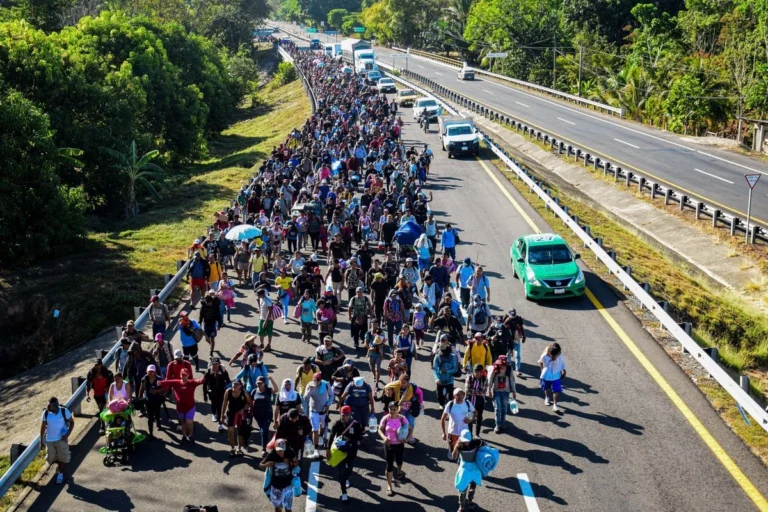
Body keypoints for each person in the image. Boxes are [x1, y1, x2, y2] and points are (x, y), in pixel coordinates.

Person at [327, 405, 363, 502]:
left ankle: (347, 477)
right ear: (340, 414)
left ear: (350, 414)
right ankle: (344, 493)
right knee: (341, 472)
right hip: (340, 452)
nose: (345, 417)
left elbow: (359, 438)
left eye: (347, 415)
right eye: (343, 415)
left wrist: (349, 441)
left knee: (350, 468)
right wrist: (327, 450)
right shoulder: (337, 424)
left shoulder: (356, 424)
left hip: (351, 451)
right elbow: (331, 437)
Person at [160, 369, 205, 444]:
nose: (184, 376)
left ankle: (191, 435)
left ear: (188, 375)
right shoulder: (176, 382)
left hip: (190, 407)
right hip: (180, 408)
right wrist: (160, 383)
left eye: (185, 375)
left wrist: (206, 375)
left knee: (189, 422)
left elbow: (200, 381)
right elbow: (167, 382)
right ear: (180, 375)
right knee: (183, 422)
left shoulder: (192, 383)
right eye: (182, 375)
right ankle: (184, 436)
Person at [378, 402, 411, 497]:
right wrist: (384, 438)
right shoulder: (385, 418)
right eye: (391, 409)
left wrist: (407, 439)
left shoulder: (402, 419)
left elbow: (410, 429)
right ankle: (389, 486)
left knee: (399, 461)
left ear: (398, 409)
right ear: (388, 409)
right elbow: (379, 429)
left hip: (399, 444)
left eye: (394, 409)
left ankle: (399, 471)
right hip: (388, 445)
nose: (392, 411)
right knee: (389, 465)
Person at [40, 397, 74, 484]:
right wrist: (41, 441)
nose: (56, 407)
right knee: (51, 458)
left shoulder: (63, 411)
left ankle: (60, 474)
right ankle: (59, 466)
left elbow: (72, 422)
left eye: (57, 404)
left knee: (62, 457)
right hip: (50, 439)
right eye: (53, 405)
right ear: (49, 406)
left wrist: (67, 434)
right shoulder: (46, 413)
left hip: (61, 439)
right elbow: (43, 427)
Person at [452, 429, 486, 511]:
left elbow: (485, 446)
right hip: (464, 468)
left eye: (467, 440)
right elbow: (453, 457)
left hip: (474, 467)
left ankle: (470, 501)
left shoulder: (475, 442)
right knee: (463, 488)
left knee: (472, 487)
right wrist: (456, 448)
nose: (466, 442)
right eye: (465, 441)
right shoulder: (459, 444)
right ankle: (461, 506)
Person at [303, 372, 334, 456]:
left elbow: (331, 395)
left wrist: (328, 405)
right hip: (313, 411)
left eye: (318, 380)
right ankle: (316, 449)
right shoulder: (309, 385)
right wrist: (310, 391)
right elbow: (305, 398)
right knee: (315, 429)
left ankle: (321, 437)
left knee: (322, 426)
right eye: (315, 380)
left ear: (321, 379)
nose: (316, 381)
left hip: (323, 411)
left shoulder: (326, 384)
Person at [441, 389, 476, 459]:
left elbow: (475, 412)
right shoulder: (450, 404)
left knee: (465, 450)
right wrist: (444, 433)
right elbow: (443, 419)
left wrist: (470, 419)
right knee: (453, 452)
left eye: (462, 394)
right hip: (453, 432)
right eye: (458, 395)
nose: (460, 396)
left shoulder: (467, 403)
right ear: (454, 396)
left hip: (464, 432)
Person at [221, 380, 253, 457]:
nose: (234, 386)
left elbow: (250, 403)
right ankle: (232, 448)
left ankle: (239, 449)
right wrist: (222, 416)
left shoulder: (244, 393)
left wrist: (244, 409)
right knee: (230, 432)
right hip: (231, 413)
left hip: (240, 414)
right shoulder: (228, 392)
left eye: (236, 385)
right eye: (233, 384)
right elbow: (224, 403)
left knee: (240, 433)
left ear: (240, 386)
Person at [488, 355, 516, 432]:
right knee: (497, 408)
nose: (503, 366)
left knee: (504, 408)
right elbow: (490, 380)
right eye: (501, 365)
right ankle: (497, 425)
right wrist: (489, 390)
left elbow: (512, 380)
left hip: (506, 392)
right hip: (497, 391)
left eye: (504, 365)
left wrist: (514, 391)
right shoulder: (495, 369)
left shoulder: (509, 369)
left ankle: (503, 423)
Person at [86, 358, 113, 434]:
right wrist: (87, 394)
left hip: (106, 393)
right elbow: (88, 384)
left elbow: (112, 384)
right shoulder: (91, 373)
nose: (97, 366)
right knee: (101, 409)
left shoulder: (107, 372)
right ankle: (103, 425)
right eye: (95, 365)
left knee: (105, 408)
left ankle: (104, 425)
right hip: (97, 394)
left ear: (101, 364)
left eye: (98, 365)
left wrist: (110, 391)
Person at [203, 357, 231, 431]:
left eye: (216, 364)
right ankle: (213, 413)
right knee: (213, 404)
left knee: (220, 406)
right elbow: (205, 384)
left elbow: (228, 380)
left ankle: (220, 424)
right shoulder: (208, 372)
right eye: (213, 364)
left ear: (219, 364)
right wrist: (205, 395)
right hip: (211, 391)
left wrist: (229, 391)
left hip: (221, 391)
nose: (215, 366)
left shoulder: (223, 371)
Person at [138, 365, 165, 438]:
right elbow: (141, 388)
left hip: (157, 400)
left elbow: (163, 388)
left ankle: (158, 424)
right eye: (149, 371)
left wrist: (156, 391)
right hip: (148, 401)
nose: (150, 373)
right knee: (150, 417)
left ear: (155, 372)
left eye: (152, 371)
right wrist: (139, 397)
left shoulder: (159, 379)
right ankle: (151, 433)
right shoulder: (144, 379)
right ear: (146, 371)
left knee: (157, 413)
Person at [539, 343, 566, 414]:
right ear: (550, 353)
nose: (555, 357)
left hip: (556, 376)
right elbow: (541, 362)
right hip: (547, 375)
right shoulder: (545, 355)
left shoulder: (559, 355)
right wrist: (542, 371)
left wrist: (564, 371)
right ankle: (547, 398)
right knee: (547, 388)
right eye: (553, 356)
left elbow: (561, 363)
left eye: (556, 355)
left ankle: (555, 405)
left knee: (556, 390)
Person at [250, 377, 275, 453]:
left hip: (267, 413)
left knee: (264, 429)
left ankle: (263, 449)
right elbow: (250, 402)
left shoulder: (268, 390)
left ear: (264, 383)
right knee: (262, 429)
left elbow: (276, 389)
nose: (259, 384)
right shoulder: (254, 391)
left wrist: (271, 379)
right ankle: (266, 440)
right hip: (257, 414)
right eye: (258, 383)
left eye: (261, 383)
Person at [433, 337, 459, 407]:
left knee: (450, 396)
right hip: (440, 380)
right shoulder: (437, 357)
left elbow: (455, 369)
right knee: (440, 395)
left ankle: (449, 409)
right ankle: (442, 405)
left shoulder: (452, 356)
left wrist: (447, 371)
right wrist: (436, 379)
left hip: (449, 380)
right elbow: (435, 369)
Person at [465, 364, 488, 437]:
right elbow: (467, 390)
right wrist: (477, 391)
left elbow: (484, 391)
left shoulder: (485, 379)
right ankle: (470, 434)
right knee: (469, 417)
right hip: (470, 400)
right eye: (475, 371)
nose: (476, 373)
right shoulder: (469, 377)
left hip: (480, 400)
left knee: (479, 417)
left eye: (478, 372)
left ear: (481, 372)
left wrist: (474, 391)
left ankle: (477, 434)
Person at [199, 290, 223, 356]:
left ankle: (211, 351)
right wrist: (200, 322)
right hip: (206, 324)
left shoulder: (215, 306)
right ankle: (211, 345)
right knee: (207, 338)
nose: (209, 304)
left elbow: (218, 315)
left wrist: (219, 325)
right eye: (208, 303)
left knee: (212, 338)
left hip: (213, 324)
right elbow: (201, 314)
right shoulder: (204, 306)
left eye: (210, 302)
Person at [504, 309, 526, 377]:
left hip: (516, 339)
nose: (513, 317)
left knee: (517, 355)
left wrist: (524, 336)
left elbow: (521, 327)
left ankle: (517, 370)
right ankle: (509, 370)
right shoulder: (506, 318)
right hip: (509, 340)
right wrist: (506, 322)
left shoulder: (519, 318)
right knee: (509, 356)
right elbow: (502, 328)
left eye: (514, 316)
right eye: (511, 316)